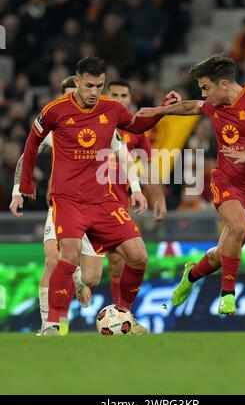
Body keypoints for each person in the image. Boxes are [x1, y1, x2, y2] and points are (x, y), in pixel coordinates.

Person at [19, 56, 164, 335]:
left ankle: (126, 316)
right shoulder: (55, 110)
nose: (94, 91)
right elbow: (32, 142)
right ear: (76, 82)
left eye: (99, 86)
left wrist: (162, 111)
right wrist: (25, 185)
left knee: (138, 256)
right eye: (89, 85)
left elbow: (136, 126)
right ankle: (52, 324)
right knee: (68, 255)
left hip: (103, 200)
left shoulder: (111, 109)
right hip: (68, 199)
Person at [137, 55, 245, 314]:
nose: (204, 94)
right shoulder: (213, 104)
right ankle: (228, 295)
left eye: (206, 87)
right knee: (236, 224)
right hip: (226, 181)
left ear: (223, 84)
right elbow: (192, 106)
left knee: (221, 253)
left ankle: (190, 275)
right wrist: (159, 111)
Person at [106, 79, 166, 303]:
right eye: (114, 95)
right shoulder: (94, 120)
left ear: (130, 99)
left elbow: (148, 166)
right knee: (86, 271)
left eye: (124, 96)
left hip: (118, 202)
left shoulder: (136, 129)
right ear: (106, 95)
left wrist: (158, 197)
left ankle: (121, 315)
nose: (119, 100)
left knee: (118, 261)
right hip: (85, 197)